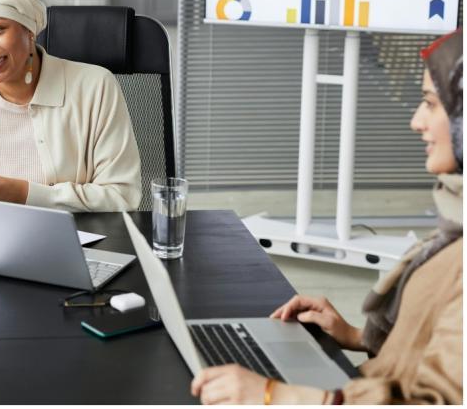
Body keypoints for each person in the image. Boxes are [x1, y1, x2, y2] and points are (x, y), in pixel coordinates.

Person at [191, 27, 462, 404]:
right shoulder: (455, 222)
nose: (416, 121)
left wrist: (274, 395)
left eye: (432, 104)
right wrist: (354, 336)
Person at [0, 0, 141, 212]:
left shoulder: (96, 87)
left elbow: (121, 196)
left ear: (29, 31)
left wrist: (23, 193)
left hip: (71, 243)